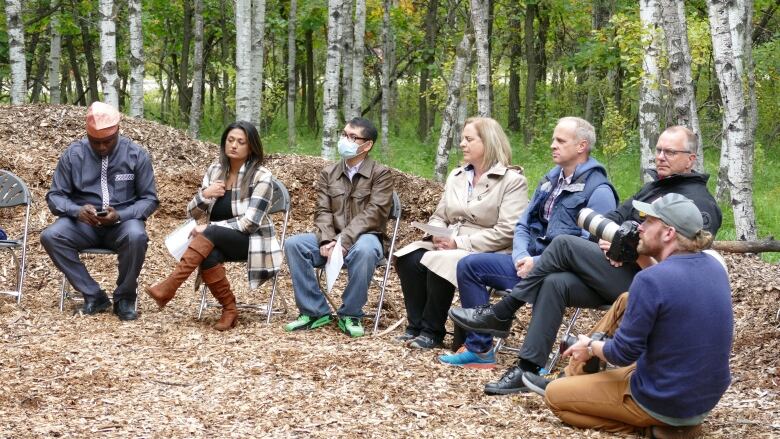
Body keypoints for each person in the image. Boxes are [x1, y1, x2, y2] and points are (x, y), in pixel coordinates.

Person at [449, 125, 723, 394]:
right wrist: (613, 242)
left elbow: (688, 262)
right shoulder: (653, 189)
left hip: (653, 286)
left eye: (670, 152)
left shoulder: (700, 203)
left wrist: (631, 250)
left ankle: (503, 312)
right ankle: (528, 367)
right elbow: (614, 218)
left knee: (564, 244)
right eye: (659, 150)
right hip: (620, 272)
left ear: (691, 159)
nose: (661, 156)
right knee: (555, 282)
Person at [523, 193, 733, 436]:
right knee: (626, 299)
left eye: (649, 222)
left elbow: (622, 353)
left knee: (554, 396)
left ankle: (657, 429)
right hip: (702, 398)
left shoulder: (650, 281)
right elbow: (669, 288)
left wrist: (590, 346)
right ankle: (574, 376)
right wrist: (639, 255)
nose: (639, 227)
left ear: (668, 233)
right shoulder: (714, 267)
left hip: (660, 398)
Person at [444, 117, 618, 368]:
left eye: (560, 140)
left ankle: (532, 360)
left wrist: (537, 262)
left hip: (561, 274)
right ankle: (480, 349)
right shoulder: (550, 180)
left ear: (581, 146)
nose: (552, 145)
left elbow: (587, 247)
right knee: (470, 265)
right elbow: (523, 224)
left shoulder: (599, 190)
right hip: (527, 262)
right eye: (553, 139)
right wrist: (520, 257)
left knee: (550, 282)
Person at [393, 117, 529, 353]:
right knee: (408, 257)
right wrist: (437, 233)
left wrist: (459, 242)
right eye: (462, 139)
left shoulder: (512, 181)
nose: (462, 144)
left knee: (442, 261)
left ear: (488, 142)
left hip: (486, 248)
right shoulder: (457, 176)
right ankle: (416, 325)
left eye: (469, 139)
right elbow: (439, 215)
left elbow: (508, 231)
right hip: (448, 240)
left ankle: (431, 331)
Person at [145, 121, 281, 331]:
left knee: (210, 232)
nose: (234, 145)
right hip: (217, 238)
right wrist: (205, 195)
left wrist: (209, 228)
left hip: (253, 241)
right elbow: (191, 213)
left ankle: (169, 286)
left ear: (251, 147)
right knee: (208, 253)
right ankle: (229, 308)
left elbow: (250, 223)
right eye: (230, 140)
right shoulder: (215, 170)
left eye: (241, 142)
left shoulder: (262, 177)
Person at [41, 102, 159, 321]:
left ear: (118, 132)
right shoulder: (73, 155)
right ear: (87, 135)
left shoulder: (135, 155)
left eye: (108, 141)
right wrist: (77, 210)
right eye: (96, 142)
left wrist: (121, 215)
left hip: (123, 222)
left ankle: (124, 298)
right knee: (51, 236)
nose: (102, 147)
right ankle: (93, 295)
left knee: (137, 236)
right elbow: (55, 196)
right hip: (84, 224)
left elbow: (149, 199)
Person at [283, 117, 393, 338]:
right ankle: (314, 311)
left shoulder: (380, 174)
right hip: (332, 236)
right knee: (294, 244)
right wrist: (326, 239)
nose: (346, 140)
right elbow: (322, 211)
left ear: (367, 145)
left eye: (353, 137)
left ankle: (350, 313)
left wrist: (343, 241)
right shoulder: (329, 173)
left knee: (365, 250)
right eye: (344, 135)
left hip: (365, 236)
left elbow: (374, 214)